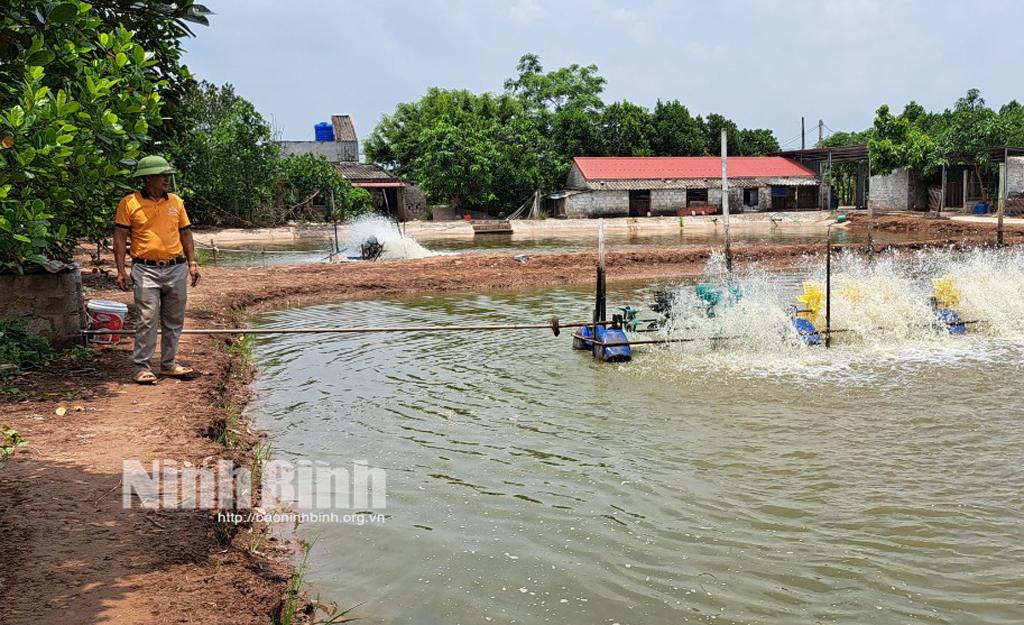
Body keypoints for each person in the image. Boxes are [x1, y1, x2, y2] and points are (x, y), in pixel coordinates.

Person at [113, 155, 201, 384]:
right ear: (148, 178)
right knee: (147, 318)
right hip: (145, 269)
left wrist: (192, 263)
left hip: (175, 267)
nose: (166, 179)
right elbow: (120, 237)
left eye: (167, 175)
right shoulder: (129, 203)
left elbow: (186, 233)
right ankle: (142, 367)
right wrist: (121, 269)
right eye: (162, 175)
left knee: (174, 319)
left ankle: (169, 364)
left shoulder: (176, 202)